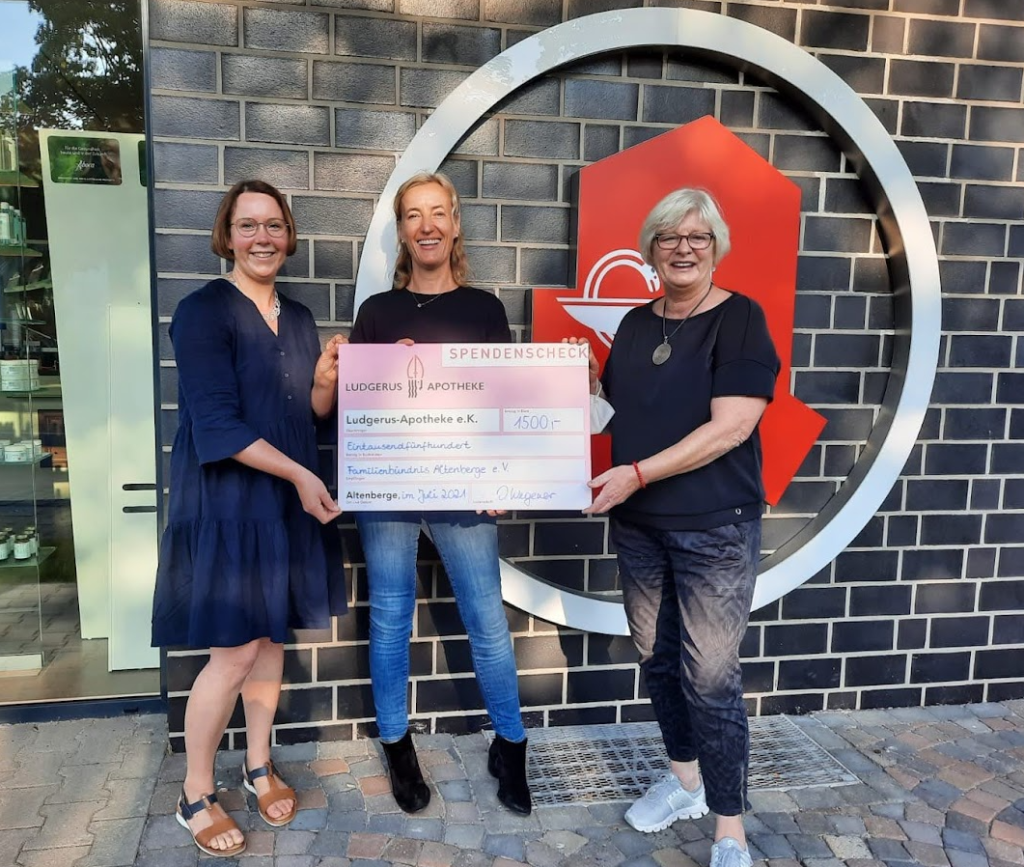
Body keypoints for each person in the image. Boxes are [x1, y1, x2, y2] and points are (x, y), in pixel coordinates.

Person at [581, 188, 779, 867]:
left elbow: (732, 428)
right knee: (658, 657)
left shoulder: (740, 319)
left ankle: (730, 829)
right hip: (641, 526)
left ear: (716, 246)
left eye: (697, 236)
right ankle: (685, 781)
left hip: (714, 528)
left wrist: (637, 474)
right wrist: (582, 383)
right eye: (669, 237)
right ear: (651, 250)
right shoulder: (636, 324)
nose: (683, 248)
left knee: (711, 675)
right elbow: (611, 416)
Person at [152, 179, 348, 857]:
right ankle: (194, 792)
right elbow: (217, 424)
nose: (262, 237)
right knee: (233, 650)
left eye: (273, 225)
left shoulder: (298, 317)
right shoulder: (201, 311)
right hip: (229, 501)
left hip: (281, 502)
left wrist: (324, 380)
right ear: (227, 235)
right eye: (248, 225)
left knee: (269, 639)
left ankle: (258, 764)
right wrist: (302, 475)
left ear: (288, 236)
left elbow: (308, 416)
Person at [346, 170, 532, 816]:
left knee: (487, 621)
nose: (425, 226)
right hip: (389, 490)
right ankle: (397, 746)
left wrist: (503, 476)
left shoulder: (485, 309)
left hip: (465, 488)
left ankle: (512, 746)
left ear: (454, 224)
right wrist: (383, 373)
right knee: (390, 619)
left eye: (436, 213)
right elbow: (356, 411)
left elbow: (503, 402)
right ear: (402, 231)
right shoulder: (377, 312)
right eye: (412, 215)